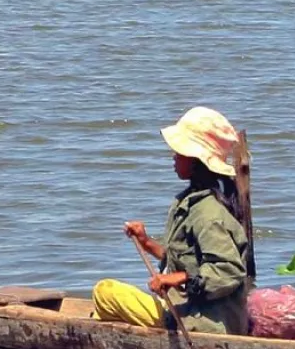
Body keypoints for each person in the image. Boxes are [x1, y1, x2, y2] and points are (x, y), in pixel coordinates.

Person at [93, 107, 251, 335]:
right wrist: (146, 242)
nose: (174, 157)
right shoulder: (192, 203)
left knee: (105, 291)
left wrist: (177, 278)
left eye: (179, 152)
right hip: (187, 309)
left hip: (203, 321)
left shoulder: (208, 213)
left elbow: (228, 271)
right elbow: (182, 260)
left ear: (196, 160)